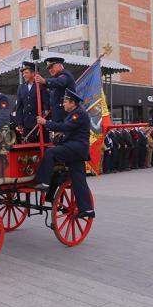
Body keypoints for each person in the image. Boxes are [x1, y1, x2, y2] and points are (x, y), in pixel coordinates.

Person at [33, 89, 94, 219]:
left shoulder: (78, 114)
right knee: (79, 180)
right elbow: (68, 130)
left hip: (76, 148)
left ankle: (44, 183)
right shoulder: (73, 114)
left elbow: (66, 128)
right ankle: (87, 209)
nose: (63, 104)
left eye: (66, 102)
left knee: (51, 153)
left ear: (73, 103)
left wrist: (46, 123)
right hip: (76, 149)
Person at [34, 57, 76, 123]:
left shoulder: (65, 74)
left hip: (66, 117)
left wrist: (44, 81)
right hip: (58, 118)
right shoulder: (55, 79)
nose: (50, 70)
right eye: (49, 68)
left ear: (60, 65)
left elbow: (60, 82)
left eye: (52, 67)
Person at [16, 61, 49, 141]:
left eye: (26, 73)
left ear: (33, 73)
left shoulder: (40, 85)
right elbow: (19, 107)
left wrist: (45, 117)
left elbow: (46, 103)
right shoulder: (21, 87)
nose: (24, 75)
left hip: (39, 122)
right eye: (23, 73)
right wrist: (19, 123)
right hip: (26, 123)